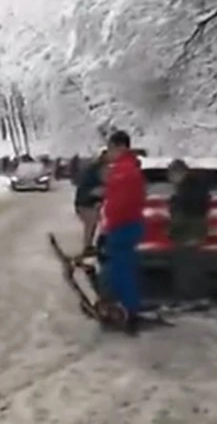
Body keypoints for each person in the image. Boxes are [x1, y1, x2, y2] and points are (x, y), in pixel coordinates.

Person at [99, 130, 145, 335]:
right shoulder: (129, 168)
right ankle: (122, 307)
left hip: (122, 226)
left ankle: (129, 312)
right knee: (121, 268)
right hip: (129, 224)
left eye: (110, 148)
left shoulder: (123, 170)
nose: (108, 153)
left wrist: (111, 223)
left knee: (122, 271)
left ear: (120, 147)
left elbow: (120, 203)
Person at [166, 159, 212, 309]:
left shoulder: (186, 189)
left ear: (179, 173)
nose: (170, 179)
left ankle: (187, 298)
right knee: (192, 264)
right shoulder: (197, 186)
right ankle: (198, 297)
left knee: (185, 265)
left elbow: (183, 212)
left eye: (171, 175)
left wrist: (173, 207)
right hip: (195, 229)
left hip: (188, 230)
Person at [74, 149, 107, 255]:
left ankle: (88, 246)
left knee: (91, 225)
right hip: (86, 202)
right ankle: (87, 247)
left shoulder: (94, 167)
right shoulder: (99, 168)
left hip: (84, 200)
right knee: (90, 225)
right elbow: (105, 183)